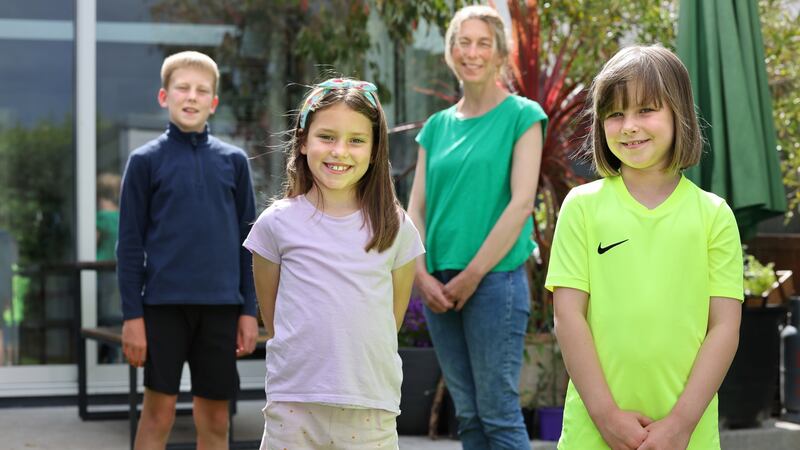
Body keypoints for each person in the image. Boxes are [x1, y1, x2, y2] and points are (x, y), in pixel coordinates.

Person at [546, 45, 743, 450]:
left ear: (679, 115)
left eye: (646, 110)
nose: (629, 126)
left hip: (688, 438)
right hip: (592, 435)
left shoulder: (715, 216)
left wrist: (682, 424)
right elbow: (568, 318)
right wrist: (607, 418)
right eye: (615, 114)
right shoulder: (582, 208)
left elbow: (724, 327)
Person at [243, 78, 424, 450]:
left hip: (370, 408)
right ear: (304, 141)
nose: (340, 151)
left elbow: (392, 317)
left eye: (356, 140)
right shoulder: (276, 224)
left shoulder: (395, 226)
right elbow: (272, 314)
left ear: (375, 150)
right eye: (327, 136)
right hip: (294, 405)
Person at [406, 5, 547, 448]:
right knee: (467, 416)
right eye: (463, 42)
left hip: (494, 282)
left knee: (499, 414)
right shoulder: (436, 127)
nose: (472, 52)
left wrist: (471, 276)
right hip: (438, 285)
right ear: (450, 53)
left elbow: (522, 204)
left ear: (500, 53)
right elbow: (416, 208)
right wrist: (420, 275)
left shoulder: (523, 116)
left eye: (483, 42)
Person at [117, 51, 258, 449]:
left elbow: (250, 245)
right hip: (162, 309)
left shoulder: (234, 162)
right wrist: (133, 317)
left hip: (220, 309)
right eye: (182, 88)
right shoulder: (144, 162)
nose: (191, 97)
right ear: (164, 96)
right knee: (157, 413)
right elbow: (129, 246)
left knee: (215, 418)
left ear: (213, 102)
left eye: (202, 91)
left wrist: (249, 310)